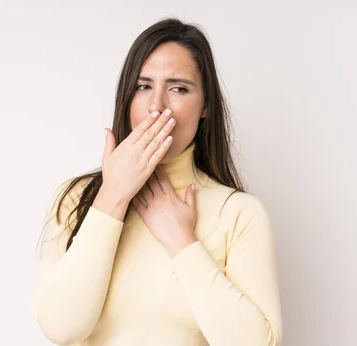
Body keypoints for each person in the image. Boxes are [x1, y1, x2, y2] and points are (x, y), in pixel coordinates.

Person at [32, 17, 283, 346]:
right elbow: (61, 328)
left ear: (205, 104)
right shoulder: (76, 199)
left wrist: (180, 240)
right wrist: (112, 197)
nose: (157, 107)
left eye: (178, 88)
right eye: (143, 86)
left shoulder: (238, 214)